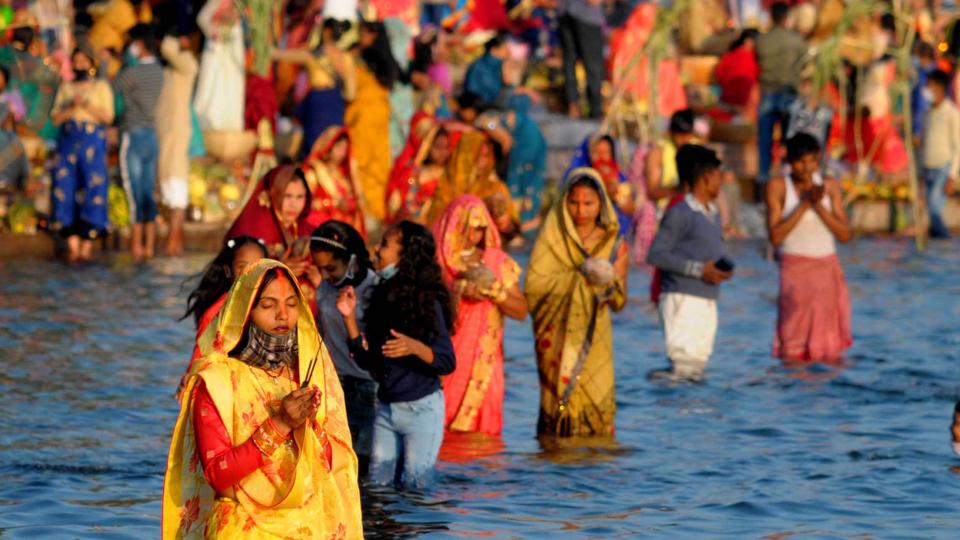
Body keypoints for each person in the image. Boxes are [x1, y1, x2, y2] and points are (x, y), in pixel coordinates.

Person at [162, 259, 363, 538]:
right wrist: (280, 424)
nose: (283, 315)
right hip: (246, 529)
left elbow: (340, 461)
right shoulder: (218, 381)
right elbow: (219, 477)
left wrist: (309, 430)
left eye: (292, 304)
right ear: (245, 311)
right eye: (268, 306)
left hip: (309, 525)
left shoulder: (308, 372)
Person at [335, 221, 455, 488]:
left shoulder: (427, 302)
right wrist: (348, 318)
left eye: (386, 244)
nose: (377, 249)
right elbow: (370, 365)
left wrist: (416, 347)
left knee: (416, 487)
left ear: (405, 255)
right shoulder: (380, 297)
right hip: (387, 410)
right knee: (378, 486)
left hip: (422, 410)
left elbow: (447, 361)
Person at [526, 168, 628, 437]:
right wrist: (577, 278)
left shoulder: (614, 244)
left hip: (595, 340)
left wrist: (605, 280)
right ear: (564, 202)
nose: (580, 210)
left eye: (588, 203)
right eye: (573, 202)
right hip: (556, 340)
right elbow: (534, 288)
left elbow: (619, 302)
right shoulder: (552, 240)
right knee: (557, 426)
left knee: (596, 416)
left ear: (601, 204)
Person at [433, 195, 528, 436]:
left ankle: (483, 474)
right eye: (467, 227)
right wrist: (456, 291)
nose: (473, 236)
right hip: (447, 359)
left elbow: (521, 310)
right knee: (441, 429)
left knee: (484, 436)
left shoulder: (496, 261)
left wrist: (493, 290)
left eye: (479, 229)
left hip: (486, 364)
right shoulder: (438, 265)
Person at [647, 145, 731, 380]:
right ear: (705, 178)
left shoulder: (712, 213)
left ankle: (691, 415)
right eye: (718, 176)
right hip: (682, 299)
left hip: (707, 300)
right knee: (683, 367)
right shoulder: (680, 212)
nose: (721, 182)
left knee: (697, 366)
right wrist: (698, 270)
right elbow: (656, 254)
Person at [767, 133, 853, 362]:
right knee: (792, 338)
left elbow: (845, 234)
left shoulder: (830, 186)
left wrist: (819, 206)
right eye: (799, 162)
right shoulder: (778, 187)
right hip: (794, 271)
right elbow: (775, 237)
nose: (806, 168)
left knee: (828, 348)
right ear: (789, 162)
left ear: (818, 160)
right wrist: (804, 204)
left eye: (811, 162)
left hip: (826, 270)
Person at [307, 221, 378, 474]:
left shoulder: (373, 288)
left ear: (351, 259)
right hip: (334, 383)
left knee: (365, 465)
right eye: (319, 268)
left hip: (368, 387)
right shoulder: (325, 288)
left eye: (331, 268)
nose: (325, 276)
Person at [178, 235, 268, 397]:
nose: (251, 273)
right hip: (227, 391)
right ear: (228, 271)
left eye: (258, 266)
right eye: (242, 266)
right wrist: (190, 381)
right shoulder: (217, 312)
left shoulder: (273, 301)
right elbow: (200, 355)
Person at [49, 45, 115, 262]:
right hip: (69, 140)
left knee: (92, 186)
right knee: (65, 187)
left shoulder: (101, 87)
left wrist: (85, 104)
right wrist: (71, 106)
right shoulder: (66, 87)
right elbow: (56, 117)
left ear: (91, 63)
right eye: (75, 62)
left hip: (92, 141)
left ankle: (87, 247)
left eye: (83, 61)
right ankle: (72, 247)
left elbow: (108, 117)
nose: (79, 65)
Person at [226, 165, 318, 306]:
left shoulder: (310, 232)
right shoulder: (250, 230)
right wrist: (278, 271)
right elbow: (238, 282)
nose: (294, 204)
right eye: (287, 196)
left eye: (300, 197)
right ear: (273, 194)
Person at [113, 24, 163, 261]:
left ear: (139, 45)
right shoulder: (159, 71)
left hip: (132, 134)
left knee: (134, 193)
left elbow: (113, 87)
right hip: (151, 136)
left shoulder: (132, 73)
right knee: (147, 192)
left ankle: (136, 246)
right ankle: (149, 247)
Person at [272, 18, 355, 158]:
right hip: (336, 105)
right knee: (332, 148)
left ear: (326, 32)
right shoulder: (347, 58)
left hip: (318, 104)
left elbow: (280, 55)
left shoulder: (313, 55)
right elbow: (350, 94)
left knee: (314, 148)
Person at [346, 20, 398, 225]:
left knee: (362, 163)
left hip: (364, 118)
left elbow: (350, 92)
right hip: (378, 118)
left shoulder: (359, 58)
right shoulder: (385, 60)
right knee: (376, 165)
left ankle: (365, 214)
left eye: (364, 32)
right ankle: (374, 215)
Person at [427, 130, 519, 239]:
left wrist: (503, 222)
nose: (483, 161)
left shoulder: (496, 188)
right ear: (464, 156)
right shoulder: (440, 184)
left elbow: (512, 231)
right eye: (478, 155)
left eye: (487, 155)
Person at [155, 32, 198, 256]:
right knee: (167, 191)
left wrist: (172, 40)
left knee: (176, 191)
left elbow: (169, 50)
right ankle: (173, 244)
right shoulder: (165, 72)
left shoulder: (187, 66)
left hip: (177, 135)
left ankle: (174, 243)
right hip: (163, 136)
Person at [756, 1, 807, 186]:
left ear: (771, 17)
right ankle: (789, 178)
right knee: (790, 141)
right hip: (790, 93)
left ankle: (763, 177)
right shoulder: (797, 41)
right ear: (786, 18)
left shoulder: (762, 40)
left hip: (768, 92)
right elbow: (804, 64)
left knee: (764, 140)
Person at [386, 124, 457, 225]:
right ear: (427, 146)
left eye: (446, 147)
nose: (443, 152)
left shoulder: (448, 177)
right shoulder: (414, 171)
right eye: (438, 147)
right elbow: (401, 197)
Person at [301, 126, 365, 235]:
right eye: (339, 148)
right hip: (321, 224)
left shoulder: (344, 174)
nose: (342, 153)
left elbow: (356, 200)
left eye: (345, 149)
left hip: (344, 224)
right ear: (328, 146)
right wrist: (334, 204)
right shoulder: (314, 172)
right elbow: (304, 203)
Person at [566, 133, 635, 236]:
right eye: (597, 153)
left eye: (606, 152)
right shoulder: (580, 179)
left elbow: (630, 208)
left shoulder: (619, 177)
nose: (602, 157)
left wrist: (617, 196)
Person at [193, 0, 245, 131]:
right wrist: (215, 30)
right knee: (212, 84)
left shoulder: (240, 4)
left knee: (231, 86)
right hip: (216, 49)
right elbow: (202, 18)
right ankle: (207, 124)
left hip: (233, 53)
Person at [919, 69, 958, 239]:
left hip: (943, 167)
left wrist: (952, 175)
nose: (926, 89)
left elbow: (958, 146)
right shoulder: (927, 113)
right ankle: (936, 246)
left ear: (940, 87)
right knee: (930, 211)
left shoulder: (952, 113)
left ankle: (946, 241)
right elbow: (923, 143)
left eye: (930, 85)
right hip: (928, 167)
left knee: (934, 209)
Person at [504, 94, 547, 236]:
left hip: (528, 182)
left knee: (526, 213)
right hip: (517, 181)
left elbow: (520, 161)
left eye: (510, 114)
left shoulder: (529, 131)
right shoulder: (514, 126)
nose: (507, 118)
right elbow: (489, 122)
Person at [557, 0, 605, 118]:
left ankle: (573, 105)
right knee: (592, 64)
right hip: (585, 15)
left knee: (570, 60)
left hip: (566, 10)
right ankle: (595, 110)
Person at [715, 29, 760, 119]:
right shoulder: (753, 58)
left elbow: (719, 76)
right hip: (746, 105)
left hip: (726, 101)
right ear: (749, 41)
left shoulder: (729, 55)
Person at [463, 34, 510, 107]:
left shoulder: (500, 65)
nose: (507, 53)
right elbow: (471, 90)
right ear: (493, 50)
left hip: (494, 104)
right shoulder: (478, 65)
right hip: (479, 106)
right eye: (504, 49)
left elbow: (506, 86)